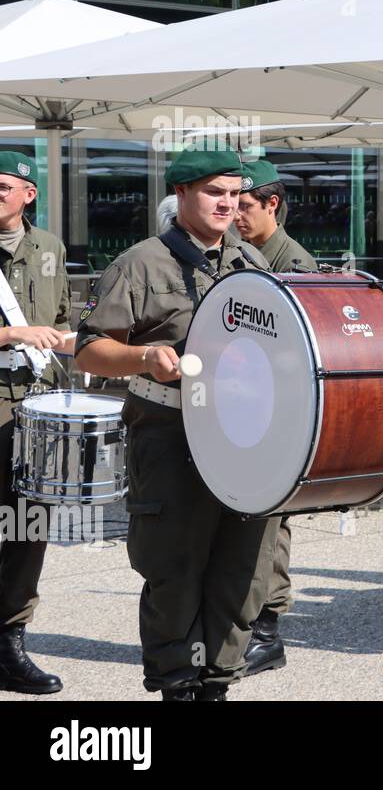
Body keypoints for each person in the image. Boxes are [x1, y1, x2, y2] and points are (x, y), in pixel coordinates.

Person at [75, 146, 277, 700]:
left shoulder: (251, 263)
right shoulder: (139, 263)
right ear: (182, 194)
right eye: (215, 192)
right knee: (175, 571)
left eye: (235, 194)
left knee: (242, 574)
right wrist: (144, 358)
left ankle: (217, 684)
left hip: (243, 437)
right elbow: (89, 350)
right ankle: (177, 686)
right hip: (170, 434)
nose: (227, 204)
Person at [234, 159, 318, 677]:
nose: (234, 215)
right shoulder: (236, 255)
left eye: (245, 206)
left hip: (279, 410)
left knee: (272, 522)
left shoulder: (292, 264)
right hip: (245, 407)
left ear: (272, 205)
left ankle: (267, 631)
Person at [0, 151, 74, 695]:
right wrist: (13, 336)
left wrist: (74, 341)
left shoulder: (49, 249)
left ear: (28, 194)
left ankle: (9, 640)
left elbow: (64, 321)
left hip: (36, 402)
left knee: (30, 523)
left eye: (3, 187)